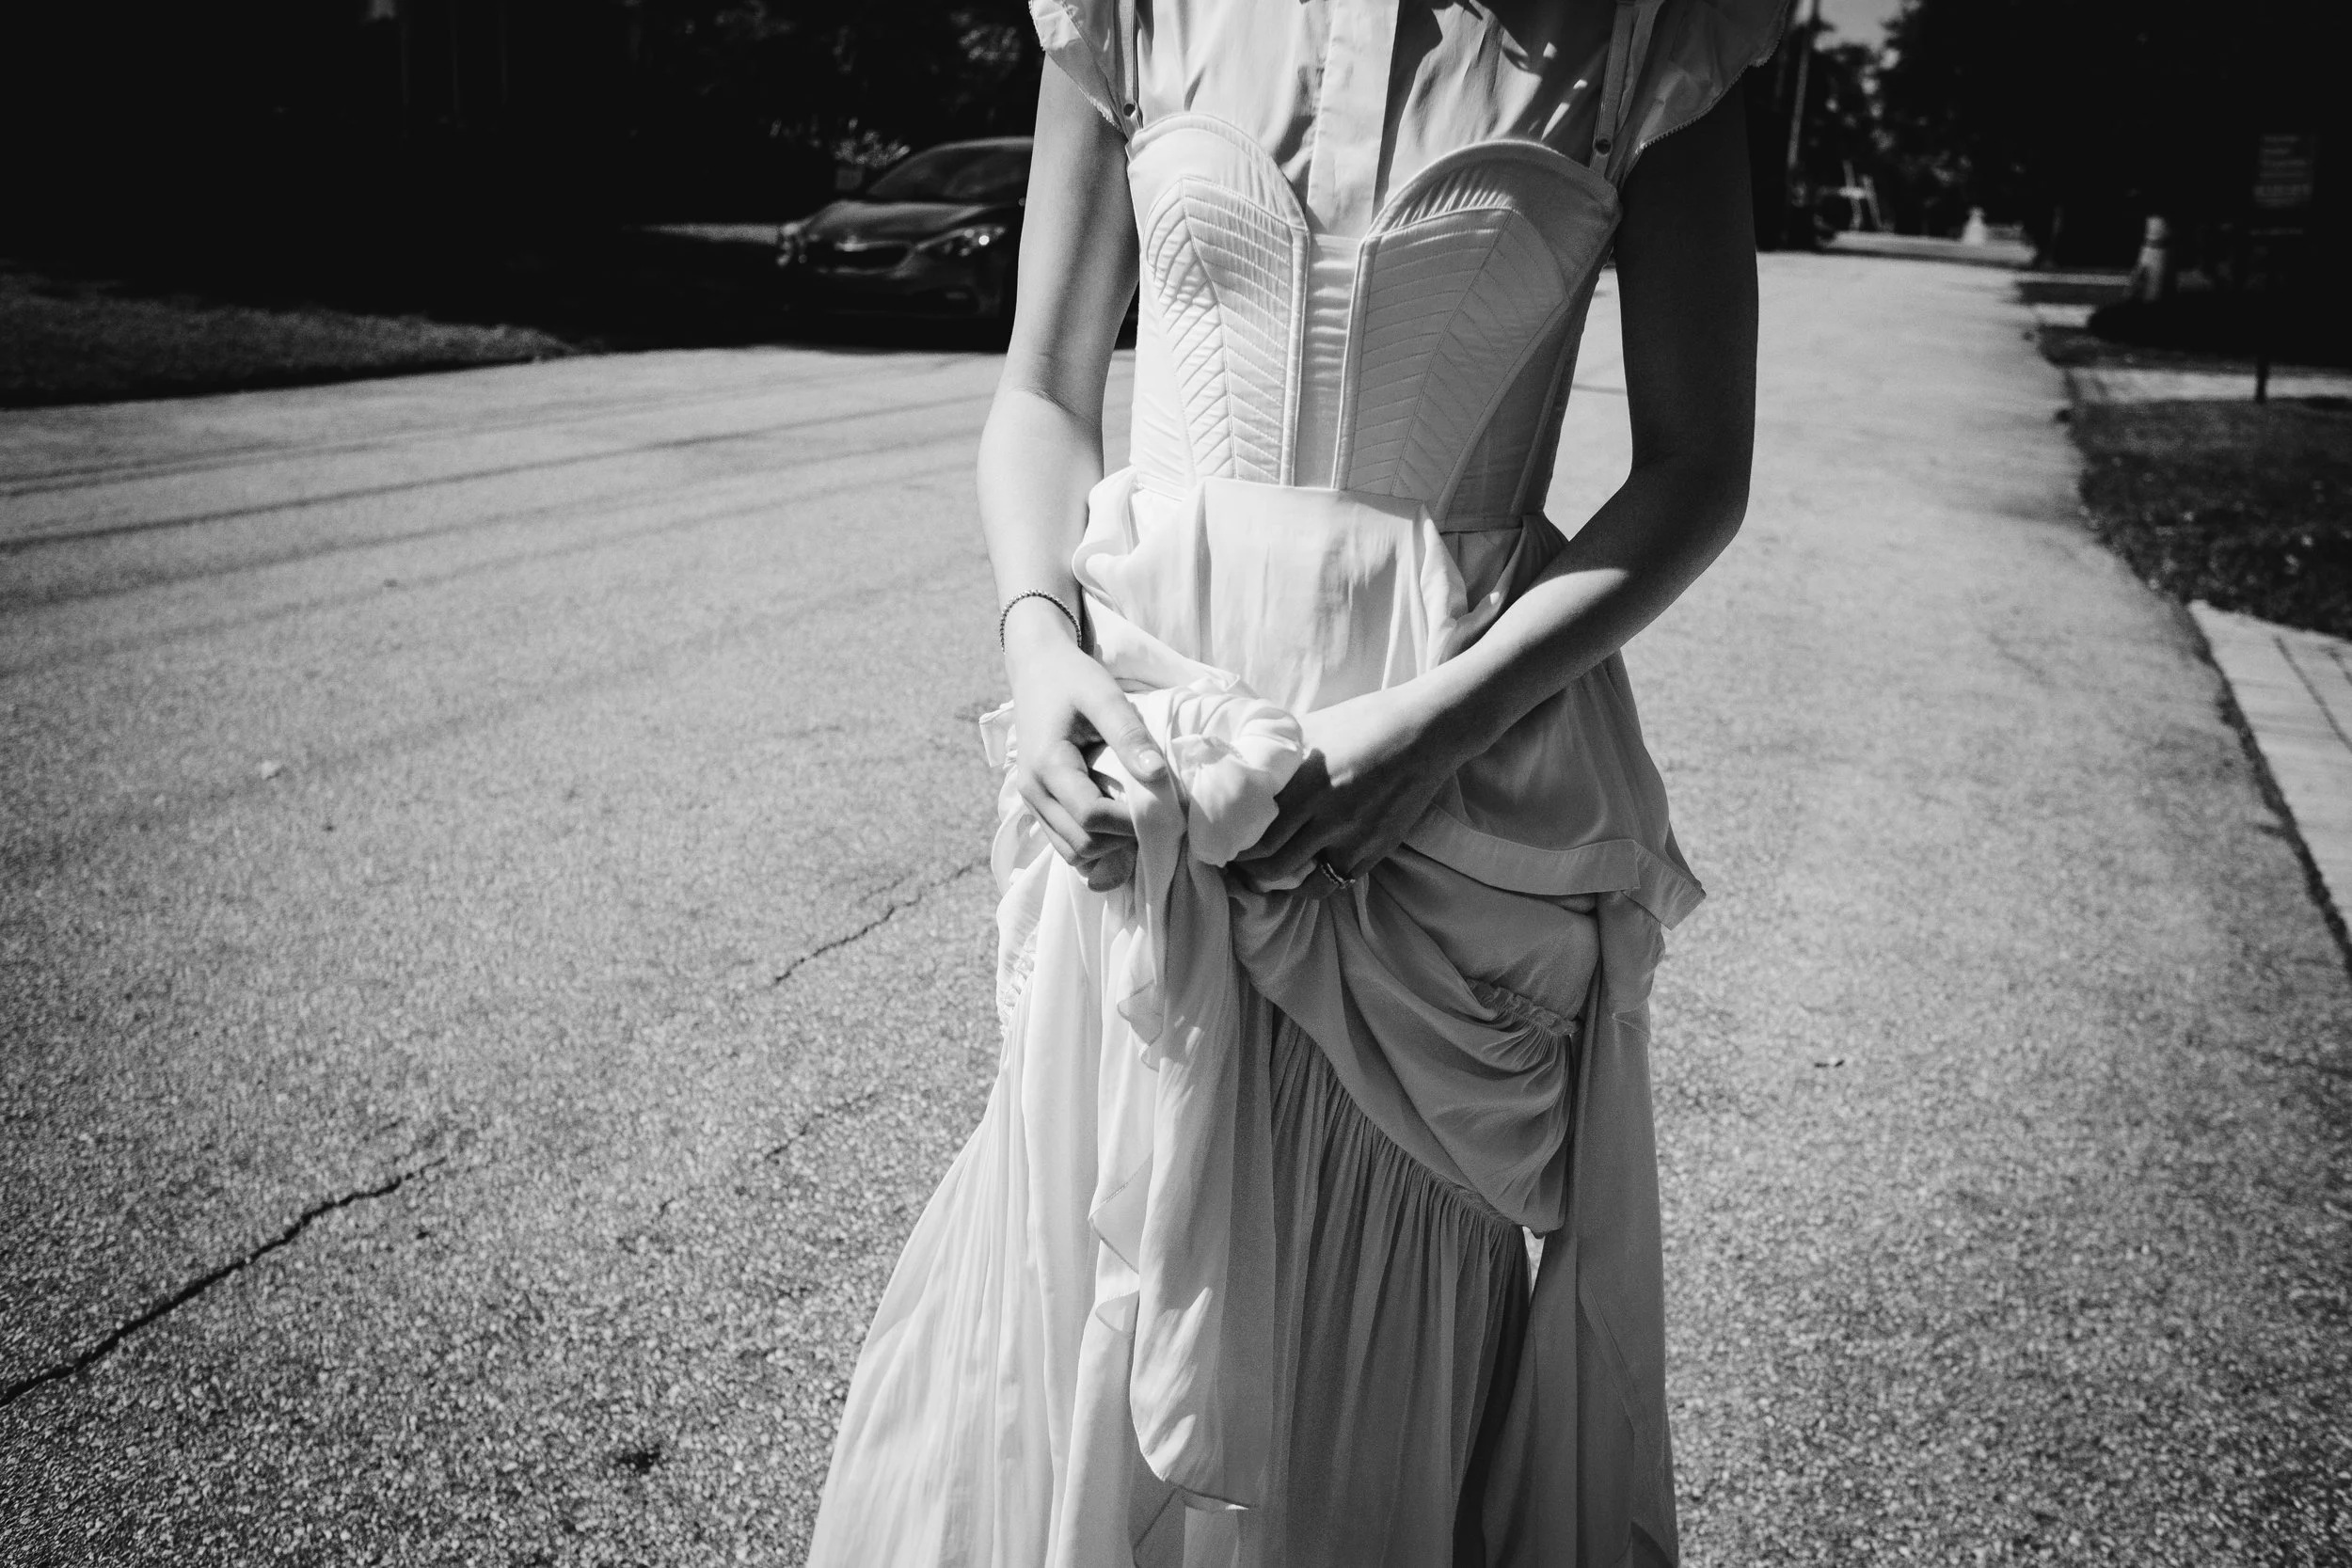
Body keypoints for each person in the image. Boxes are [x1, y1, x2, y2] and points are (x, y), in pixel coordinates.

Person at [806, 1, 1785, 1561]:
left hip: (1446, 801)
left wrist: (1429, 733)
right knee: (1101, 1282)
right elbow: (1047, 388)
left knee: (1373, 1338)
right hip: (1153, 769)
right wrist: (1039, 642)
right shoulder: (1133, 11)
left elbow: (1695, 466)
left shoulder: (1651, 31)